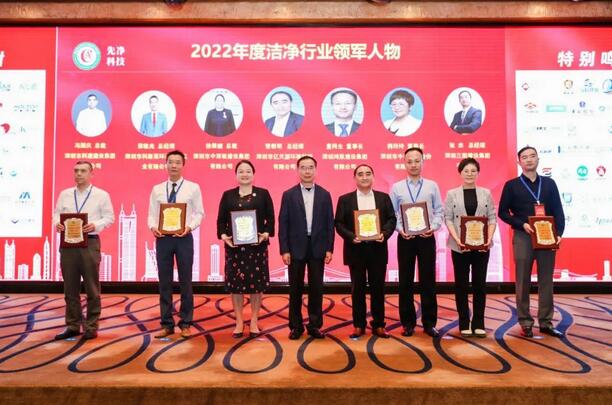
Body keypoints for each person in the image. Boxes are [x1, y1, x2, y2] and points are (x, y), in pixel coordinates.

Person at [498, 146, 565, 338]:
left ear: (538, 159)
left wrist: (559, 233)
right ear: (519, 161)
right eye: (524, 157)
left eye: (532, 156)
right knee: (522, 281)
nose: (529, 160)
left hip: (546, 237)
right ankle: (525, 322)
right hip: (523, 236)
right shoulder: (511, 185)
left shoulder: (549, 183)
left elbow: (558, 211)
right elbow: (502, 212)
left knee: (546, 281)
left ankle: (546, 322)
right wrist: (522, 224)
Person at [53, 160, 114, 340]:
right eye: (76, 170)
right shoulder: (65, 194)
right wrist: (57, 223)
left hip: (90, 242)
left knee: (92, 287)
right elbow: (56, 214)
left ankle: (91, 326)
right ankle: (72, 325)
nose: (79, 174)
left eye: (83, 171)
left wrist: (95, 225)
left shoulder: (101, 195)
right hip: (68, 244)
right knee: (70, 288)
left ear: (91, 174)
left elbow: (109, 218)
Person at [334, 164, 396, 339]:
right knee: (357, 290)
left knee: (378, 289)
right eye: (360, 174)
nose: (364, 177)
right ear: (355, 178)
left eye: (368, 173)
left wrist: (384, 234)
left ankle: (379, 324)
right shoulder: (345, 199)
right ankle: (358, 324)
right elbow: (338, 223)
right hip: (355, 250)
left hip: (377, 249)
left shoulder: (383, 198)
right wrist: (351, 236)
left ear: (373, 177)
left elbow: (392, 219)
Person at [148, 150, 204, 339]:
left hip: (184, 238)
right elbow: (151, 214)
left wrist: (189, 227)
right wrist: (153, 227)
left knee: (185, 281)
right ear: (166, 164)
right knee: (164, 282)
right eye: (170, 162)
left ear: (183, 165)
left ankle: (186, 323)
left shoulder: (192, 188)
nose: (173, 165)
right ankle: (167, 323)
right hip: (163, 239)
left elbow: (200, 213)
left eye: (177, 162)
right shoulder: (157, 189)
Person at [217, 160, 274, 338]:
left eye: (248, 171)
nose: (244, 174)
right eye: (241, 171)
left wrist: (265, 234)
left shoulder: (263, 194)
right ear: (236, 175)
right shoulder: (228, 195)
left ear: (253, 174)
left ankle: (254, 321)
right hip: (235, 249)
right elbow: (221, 220)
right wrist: (224, 236)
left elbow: (271, 219)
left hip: (257, 248)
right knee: (236, 287)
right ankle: (239, 322)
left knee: (256, 286)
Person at [390, 147, 444, 337]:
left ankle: (429, 323)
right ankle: (408, 323)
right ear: (404, 164)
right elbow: (392, 213)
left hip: (426, 238)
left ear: (423, 162)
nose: (413, 164)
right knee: (405, 281)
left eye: (417, 161)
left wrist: (434, 227)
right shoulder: (397, 187)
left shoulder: (432, 186)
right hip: (405, 238)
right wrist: (400, 229)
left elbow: (439, 210)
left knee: (428, 280)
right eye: (409, 161)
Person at [279, 156, 334, 340]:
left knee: (316, 288)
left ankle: (314, 325)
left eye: (310, 167)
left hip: (318, 247)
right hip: (295, 248)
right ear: (298, 170)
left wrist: (329, 248)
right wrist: (284, 249)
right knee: (295, 288)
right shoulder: (288, 194)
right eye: (303, 167)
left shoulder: (325, 194)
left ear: (316, 170)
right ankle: (296, 326)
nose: (307, 171)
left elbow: (329, 224)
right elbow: (283, 223)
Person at [444, 158, 497, 338]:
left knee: (479, 285)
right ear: (460, 173)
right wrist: (458, 239)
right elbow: (448, 218)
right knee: (461, 285)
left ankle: (479, 322)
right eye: (466, 171)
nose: (469, 174)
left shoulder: (486, 193)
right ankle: (464, 322)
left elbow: (492, 218)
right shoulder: (452, 194)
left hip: (482, 247)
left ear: (478, 173)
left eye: (473, 171)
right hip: (459, 246)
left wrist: (488, 239)